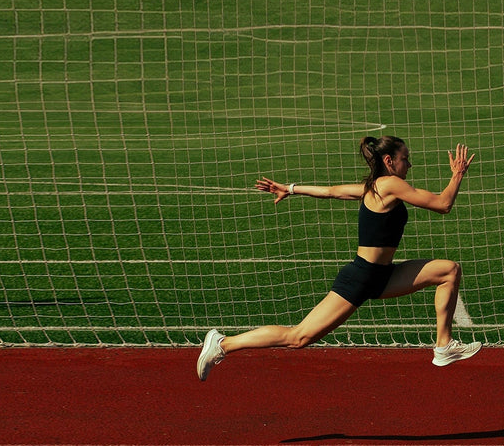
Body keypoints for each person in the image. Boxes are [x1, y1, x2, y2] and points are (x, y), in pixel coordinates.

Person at [196, 136, 482, 381]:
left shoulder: (373, 188)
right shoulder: (390, 185)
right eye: (405, 158)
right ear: (389, 161)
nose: (410, 164)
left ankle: (443, 346)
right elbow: (443, 205)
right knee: (298, 338)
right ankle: (223, 344)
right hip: (361, 277)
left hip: (383, 276)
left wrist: (291, 188)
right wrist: (457, 174)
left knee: (448, 271)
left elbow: (332, 191)